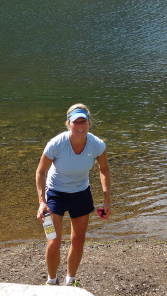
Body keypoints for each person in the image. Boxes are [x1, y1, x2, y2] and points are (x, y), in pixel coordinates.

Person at [35, 103, 111, 286]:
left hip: (81, 194)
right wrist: (41, 202)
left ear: (89, 123)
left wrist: (106, 200)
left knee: (78, 241)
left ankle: (71, 281)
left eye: (83, 121)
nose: (80, 126)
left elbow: (104, 170)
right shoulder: (56, 144)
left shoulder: (97, 144)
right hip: (54, 194)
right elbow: (40, 172)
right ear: (69, 123)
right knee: (53, 240)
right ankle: (51, 281)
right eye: (75, 122)